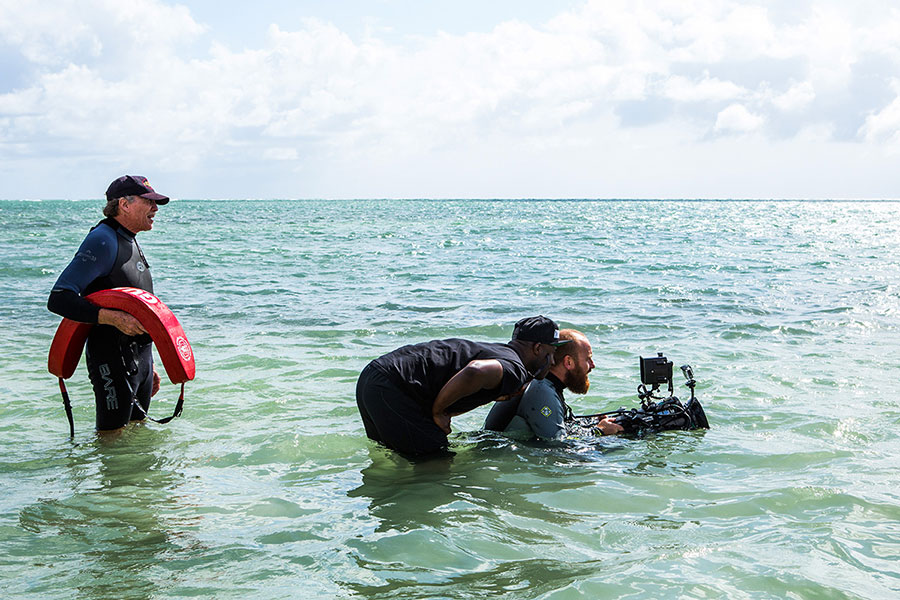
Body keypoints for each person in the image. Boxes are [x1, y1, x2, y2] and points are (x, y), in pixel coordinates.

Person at [47, 175, 170, 433]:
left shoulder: (130, 239)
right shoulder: (103, 240)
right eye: (149, 202)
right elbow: (59, 297)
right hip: (111, 358)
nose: (155, 209)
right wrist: (112, 318)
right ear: (124, 204)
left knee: (137, 436)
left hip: (141, 359)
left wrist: (151, 364)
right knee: (111, 439)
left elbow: (139, 305)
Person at [356, 315, 568, 456]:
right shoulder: (514, 367)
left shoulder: (500, 353)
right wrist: (440, 412)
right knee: (437, 463)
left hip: (373, 376)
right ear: (538, 348)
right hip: (393, 386)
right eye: (551, 354)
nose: (552, 361)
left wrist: (447, 410)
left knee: (391, 456)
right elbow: (476, 370)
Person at [484, 329, 624, 440]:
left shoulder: (545, 384)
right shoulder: (541, 390)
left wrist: (593, 422)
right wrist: (599, 431)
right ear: (568, 362)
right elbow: (556, 446)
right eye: (588, 359)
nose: (593, 365)